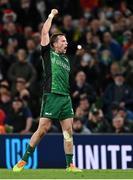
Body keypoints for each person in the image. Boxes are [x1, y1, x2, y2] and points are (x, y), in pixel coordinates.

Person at [13, 9, 81, 172]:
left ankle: (69, 165)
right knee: (42, 130)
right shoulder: (48, 54)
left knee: (68, 132)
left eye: (66, 41)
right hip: (51, 96)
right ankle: (23, 161)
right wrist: (51, 15)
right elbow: (44, 32)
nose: (66, 43)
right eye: (63, 41)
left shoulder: (66, 59)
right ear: (54, 43)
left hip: (65, 98)